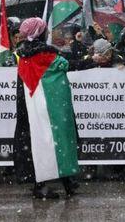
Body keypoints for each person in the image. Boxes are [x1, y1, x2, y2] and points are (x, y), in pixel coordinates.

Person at [14, 17, 79, 199]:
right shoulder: (45, 55)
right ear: (39, 33)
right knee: (59, 139)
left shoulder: (23, 54)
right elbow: (66, 65)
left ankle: (51, 182)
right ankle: (52, 184)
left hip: (32, 106)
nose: (48, 32)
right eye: (45, 30)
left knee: (38, 141)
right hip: (50, 106)